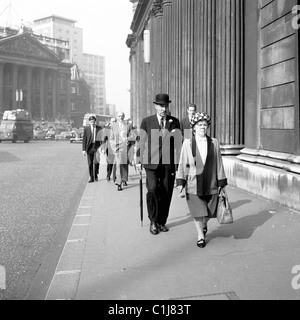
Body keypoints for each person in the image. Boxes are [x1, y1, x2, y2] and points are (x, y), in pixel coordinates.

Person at [176, 112, 228, 248]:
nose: (202, 127)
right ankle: (200, 235)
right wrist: (181, 182)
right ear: (193, 127)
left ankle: (204, 225)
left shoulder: (214, 142)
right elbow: (182, 163)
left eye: (205, 125)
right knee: (197, 211)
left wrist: (221, 182)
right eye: (199, 125)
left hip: (211, 182)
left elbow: (219, 162)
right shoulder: (187, 143)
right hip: (193, 183)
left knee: (209, 212)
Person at [136, 93, 181, 235]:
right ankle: (153, 220)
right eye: (161, 106)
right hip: (151, 162)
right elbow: (141, 141)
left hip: (168, 163)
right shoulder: (147, 121)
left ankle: (162, 221)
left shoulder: (174, 122)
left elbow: (178, 144)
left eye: (166, 105)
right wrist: (138, 161)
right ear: (155, 106)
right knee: (153, 190)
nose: (163, 108)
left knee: (166, 192)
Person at [110, 111, 137, 191]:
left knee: (124, 164)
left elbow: (133, 135)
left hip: (126, 148)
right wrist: (115, 146)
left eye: (122, 116)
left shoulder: (128, 126)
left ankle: (124, 179)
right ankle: (119, 183)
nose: (120, 118)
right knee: (119, 165)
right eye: (119, 116)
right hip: (118, 149)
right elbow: (111, 138)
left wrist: (128, 139)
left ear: (124, 116)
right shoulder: (113, 126)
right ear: (116, 117)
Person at [82, 115, 102, 183]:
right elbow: (84, 140)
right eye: (91, 122)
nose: (92, 123)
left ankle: (96, 173)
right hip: (89, 147)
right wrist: (84, 150)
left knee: (96, 162)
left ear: (95, 121)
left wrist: (101, 147)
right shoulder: (86, 129)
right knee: (90, 163)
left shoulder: (99, 129)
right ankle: (91, 177)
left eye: (93, 122)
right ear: (89, 122)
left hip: (96, 147)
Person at [102, 117, 117, 182]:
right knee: (109, 162)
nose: (113, 123)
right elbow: (104, 140)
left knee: (116, 163)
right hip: (109, 148)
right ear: (110, 122)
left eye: (114, 121)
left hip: (117, 148)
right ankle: (108, 174)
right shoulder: (107, 130)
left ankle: (115, 176)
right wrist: (103, 148)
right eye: (112, 121)